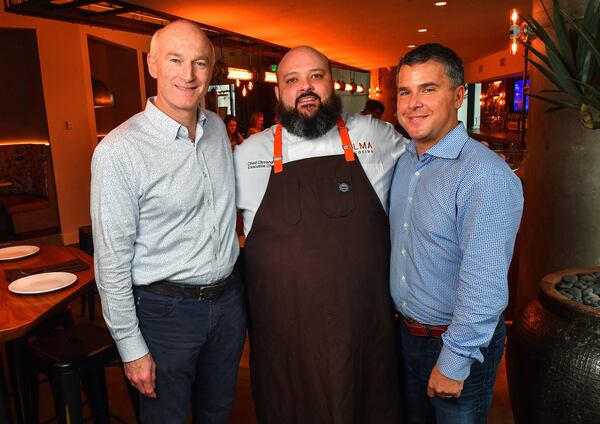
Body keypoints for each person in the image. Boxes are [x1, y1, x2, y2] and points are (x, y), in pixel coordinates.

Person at [234, 46, 405, 423]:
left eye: (316, 76)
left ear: (332, 83)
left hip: (363, 333)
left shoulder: (376, 136)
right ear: (278, 93)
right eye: (292, 80)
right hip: (285, 340)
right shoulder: (247, 154)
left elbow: (427, 170)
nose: (305, 87)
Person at [90, 20, 245, 424]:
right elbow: (110, 260)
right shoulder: (120, 150)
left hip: (227, 305)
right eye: (176, 60)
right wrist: (130, 346)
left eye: (199, 63)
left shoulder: (217, 134)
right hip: (164, 315)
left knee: (217, 413)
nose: (188, 75)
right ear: (152, 65)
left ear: (211, 72)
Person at [390, 43, 524, 423]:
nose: (413, 103)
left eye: (428, 89)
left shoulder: (484, 175)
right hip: (406, 336)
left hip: (456, 344)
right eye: (405, 91)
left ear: (459, 95)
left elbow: (485, 283)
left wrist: (454, 360)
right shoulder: (405, 163)